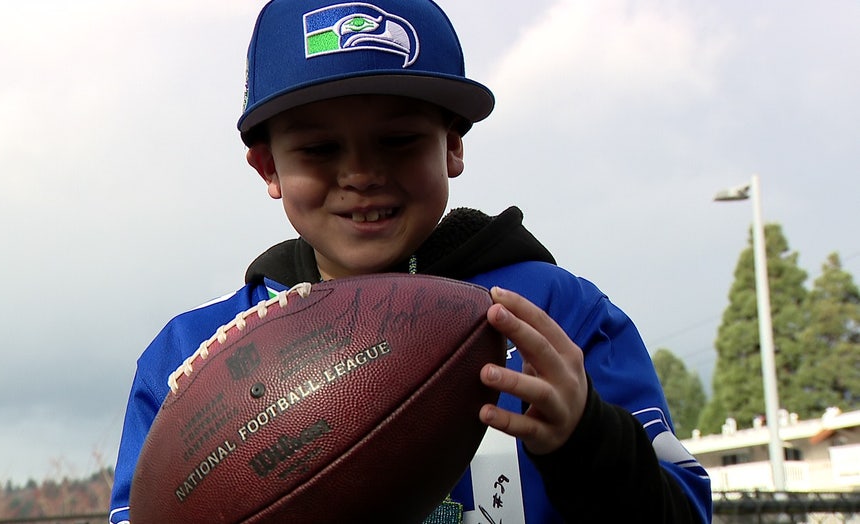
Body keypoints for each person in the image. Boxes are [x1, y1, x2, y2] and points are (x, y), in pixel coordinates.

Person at [109, 0, 712, 522]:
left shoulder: (552, 315)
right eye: (319, 148)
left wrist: (587, 437)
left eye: (398, 140)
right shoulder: (188, 357)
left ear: (452, 144)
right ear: (269, 168)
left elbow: (685, 513)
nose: (361, 174)